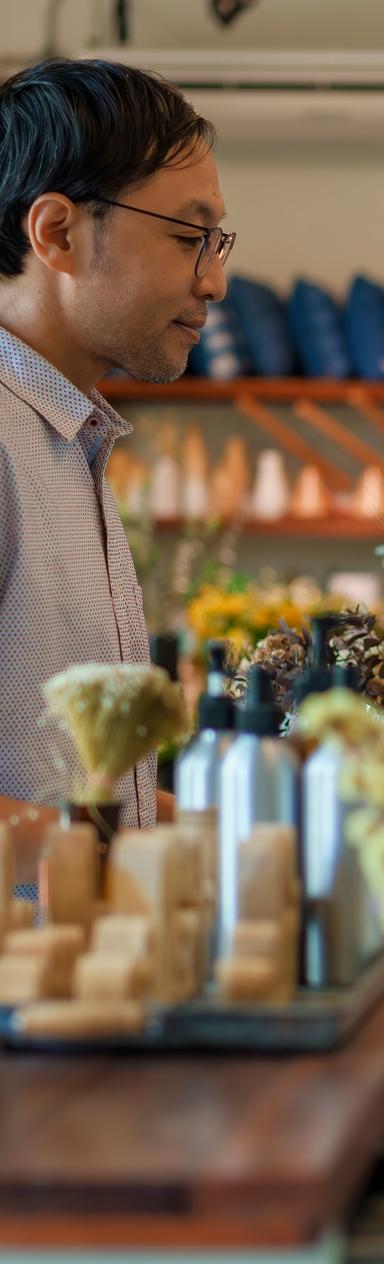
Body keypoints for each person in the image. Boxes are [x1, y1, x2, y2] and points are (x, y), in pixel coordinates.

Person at [0, 58, 231, 888]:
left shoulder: (64, 431)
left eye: (216, 242)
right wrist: (130, 854)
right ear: (56, 233)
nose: (215, 279)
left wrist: (230, 823)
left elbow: (58, 782)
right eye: (185, 237)